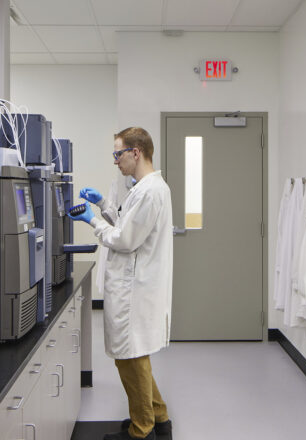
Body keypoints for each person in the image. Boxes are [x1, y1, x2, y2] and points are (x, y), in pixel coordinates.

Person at [69, 127, 173, 440]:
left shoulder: (149, 191)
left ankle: (141, 430)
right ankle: (159, 418)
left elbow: (125, 239)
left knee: (130, 359)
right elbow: (128, 223)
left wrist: (92, 220)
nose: (115, 161)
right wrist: (103, 204)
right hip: (135, 286)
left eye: (118, 154)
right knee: (134, 356)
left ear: (135, 152)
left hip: (134, 289)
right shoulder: (145, 188)